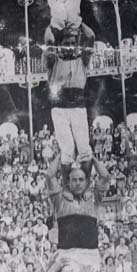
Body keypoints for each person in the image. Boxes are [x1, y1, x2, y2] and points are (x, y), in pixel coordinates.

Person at [46, 153, 109, 272]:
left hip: (91, 255)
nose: (78, 183)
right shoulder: (60, 199)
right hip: (67, 256)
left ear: (86, 181)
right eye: (74, 180)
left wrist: (91, 157)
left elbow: (105, 176)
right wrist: (61, 154)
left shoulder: (93, 198)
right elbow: (49, 175)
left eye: (81, 179)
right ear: (68, 181)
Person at [43, 26, 95, 183]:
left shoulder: (82, 60)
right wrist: (54, 23)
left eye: (73, 43)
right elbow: (49, 41)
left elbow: (91, 36)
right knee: (68, 150)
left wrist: (78, 23)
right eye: (66, 43)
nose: (70, 46)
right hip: (59, 108)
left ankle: (85, 183)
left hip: (78, 107)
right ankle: (66, 184)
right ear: (61, 45)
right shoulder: (53, 61)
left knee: (84, 149)